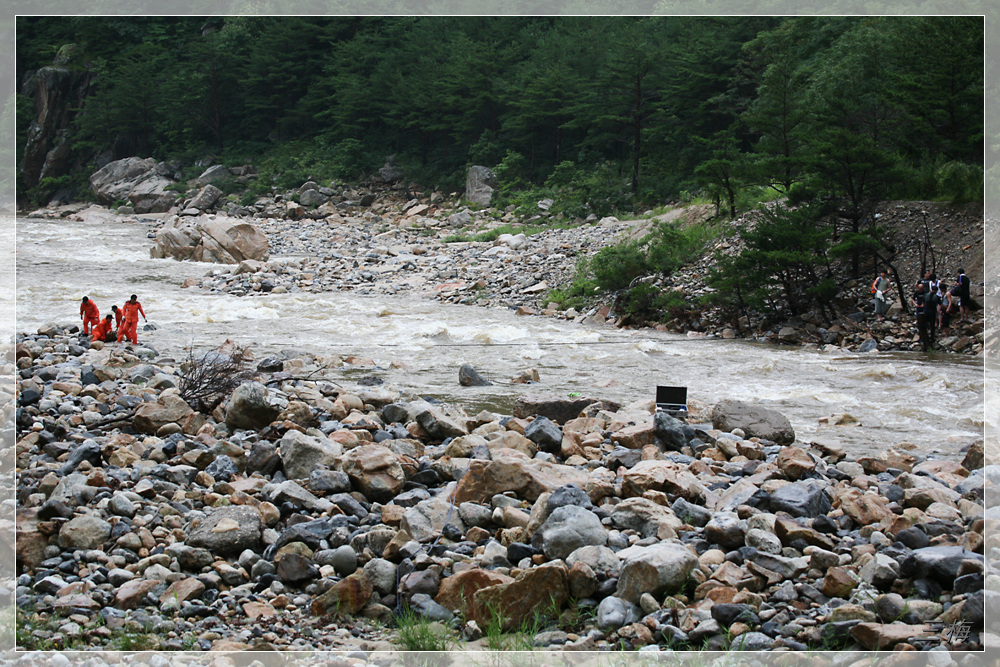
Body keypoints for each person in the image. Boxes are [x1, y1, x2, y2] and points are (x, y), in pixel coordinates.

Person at [912, 282, 930, 351]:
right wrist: (915, 304)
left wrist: (923, 304)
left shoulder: (925, 293)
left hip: (923, 306)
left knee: (923, 314)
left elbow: (926, 299)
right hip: (918, 305)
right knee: (917, 314)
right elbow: (913, 299)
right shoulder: (916, 293)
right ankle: (918, 322)